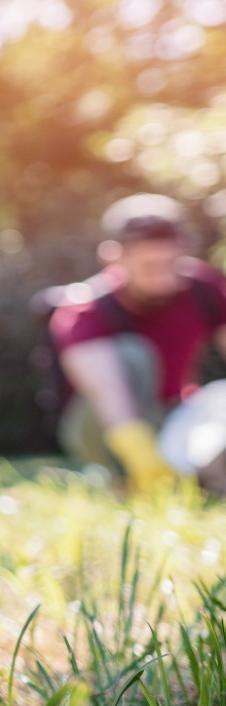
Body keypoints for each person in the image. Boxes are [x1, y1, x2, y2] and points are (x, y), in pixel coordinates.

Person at [49, 194, 226, 493]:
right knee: (133, 355)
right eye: (149, 265)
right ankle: (127, 473)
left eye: (170, 263)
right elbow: (109, 393)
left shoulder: (202, 288)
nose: (162, 276)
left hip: (176, 412)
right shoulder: (85, 309)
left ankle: (201, 476)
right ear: (113, 257)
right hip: (107, 424)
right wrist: (139, 454)